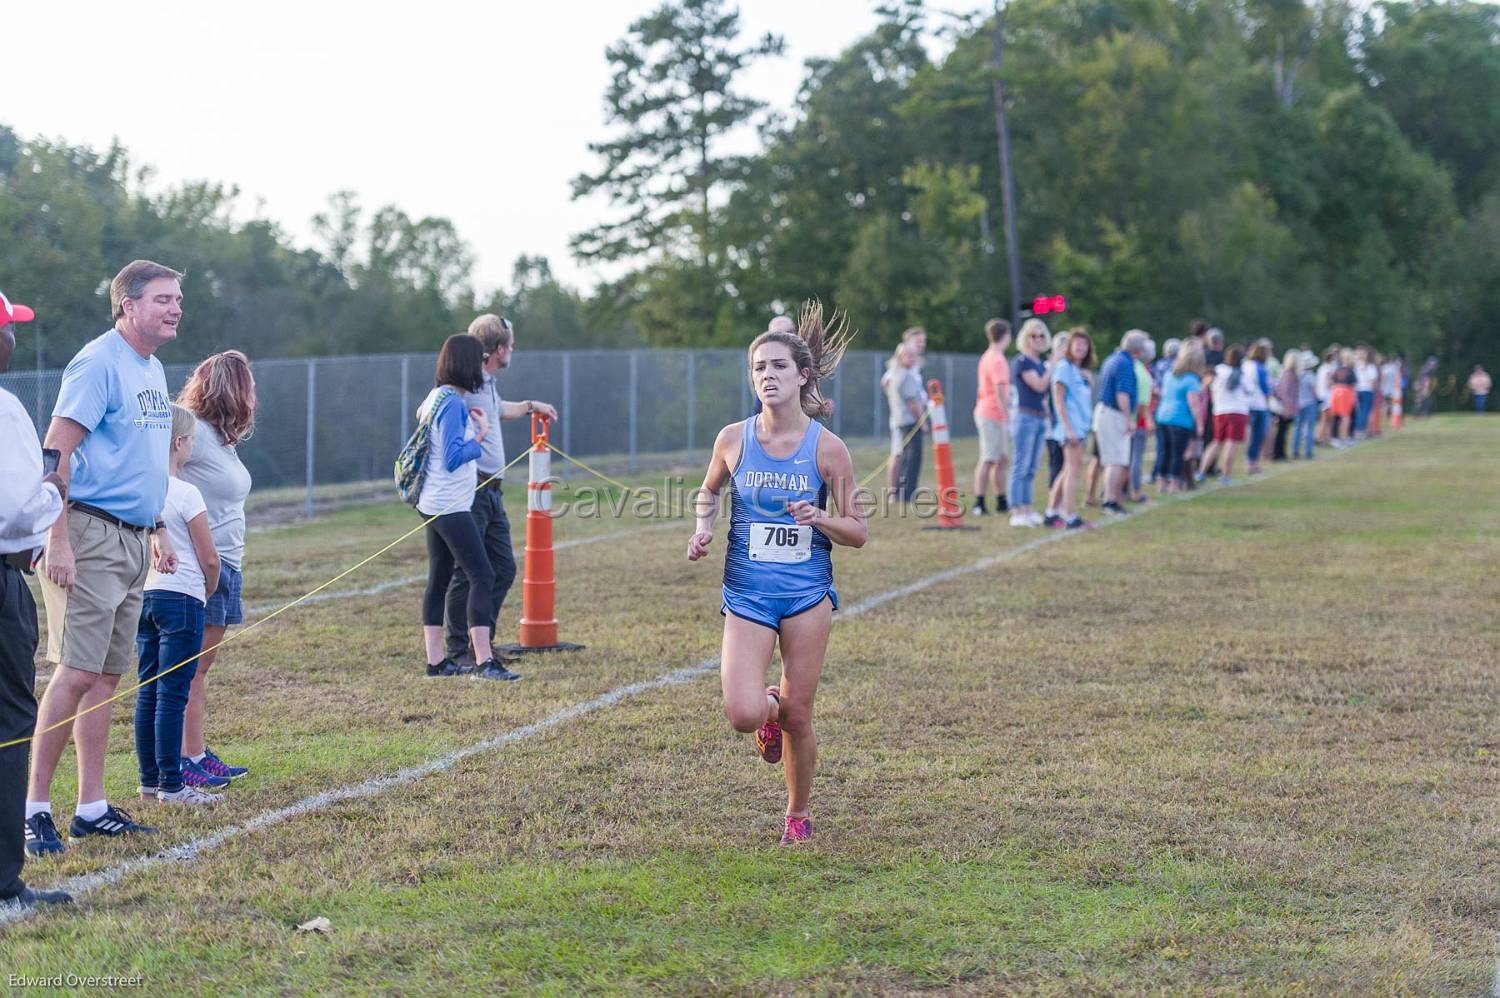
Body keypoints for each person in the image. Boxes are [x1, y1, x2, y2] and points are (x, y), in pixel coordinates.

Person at [686, 304, 865, 846]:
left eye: (779, 366)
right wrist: (702, 528)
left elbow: (858, 530)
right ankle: (767, 711)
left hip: (807, 596)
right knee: (745, 713)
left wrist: (820, 518)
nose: (767, 375)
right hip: (747, 595)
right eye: (759, 367)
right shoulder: (732, 439)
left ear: (802, 375)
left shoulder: (827, 448)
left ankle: (797, 814)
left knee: (800, 717)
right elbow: (709, 490)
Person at [25, 260, 182, 857]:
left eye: (178, 299)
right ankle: (33, 808)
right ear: (127, 306)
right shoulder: (97, 362)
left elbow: (140, 461)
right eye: (164, 299)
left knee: (107, 677)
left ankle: (90, 807)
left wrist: (158, 527)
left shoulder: (151, 365)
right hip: (88, 533)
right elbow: (56, 452)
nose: (175, 308)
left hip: (132, 537)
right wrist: (57, 538)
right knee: (75, 673)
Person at [0, 289, 72, 906]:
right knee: (7, 723)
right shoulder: (3, 408)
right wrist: (52, 488)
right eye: (8, 329)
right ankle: (2, 880)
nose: (13, 340)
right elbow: (13, 511)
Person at [443, 315, 558, 676]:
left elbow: (497, 410)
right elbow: (442, 407)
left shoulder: (486, 382)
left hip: (492, 492)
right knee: (467, 572)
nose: (512, 351)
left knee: (502, 568)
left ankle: (483, 641)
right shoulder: (468, 383)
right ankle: (460, 649)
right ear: (496, 350)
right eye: (509, 345)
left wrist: (529, 406)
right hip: (474, 488)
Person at [174, 350, 257, 788]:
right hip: (203, 564)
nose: (254, 397)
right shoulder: (192, 429)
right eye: (250, 387)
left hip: (228, 563)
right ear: (233, 389)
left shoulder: (219, 437)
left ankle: (196, 753)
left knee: (200, 670)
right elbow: (160, 474)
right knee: (189, 669)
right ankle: (183, 760)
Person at [135, 405, 221, 805]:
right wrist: (209, 588)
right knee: (173, 693)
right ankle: (173, 785)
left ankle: (148, 783)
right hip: (183, 598)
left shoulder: (140, 488)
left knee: (147, 691)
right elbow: (209, 559)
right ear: (179, 444)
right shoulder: (186, 492)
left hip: (145, 597)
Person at [415, 334, 504, 679]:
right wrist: (479, 436)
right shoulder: (452, 402)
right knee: (482, 574)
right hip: (449, 505)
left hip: (433, 502)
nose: (483, 367)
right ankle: (484, 661)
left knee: (438, 577)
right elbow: (453, 456)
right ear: (466, 365)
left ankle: (436, 662)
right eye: (478, 360)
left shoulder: (437, 397)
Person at [1044, 329, 1095, 529]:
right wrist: (1069, 429)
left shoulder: (1077, 370)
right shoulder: (1064, 368)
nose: (1081, 348)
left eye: (1084, 344)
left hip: (1079, 428)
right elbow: (1059, 401)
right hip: (1070, 430)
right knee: (1073, 472)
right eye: (1077, 344)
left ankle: (1051, 512)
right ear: (1070, 347)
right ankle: (1071, 515)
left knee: (1067, 471)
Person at [1093, 331, 1144, 515]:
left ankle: (1112, 498)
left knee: (1116, 459)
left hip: (1107, 411)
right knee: (1115, 460)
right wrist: (1127, 418)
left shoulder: (1114, 358)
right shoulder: (1124, 363)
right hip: (1113, 413)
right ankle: (1110, 500)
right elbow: (1122, 393)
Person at [1007, 319, 1051, 527]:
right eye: (1034, 335)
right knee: (1020, 466)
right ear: (1026, 338)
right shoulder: (1023, 361)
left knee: (1032, 467)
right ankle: (1016, 510)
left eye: (1042, 335)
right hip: (1025, 417)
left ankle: (1028, 508)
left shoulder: (1041, 364)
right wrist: (1053, 365)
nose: (1039, 339)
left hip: (1039, 417)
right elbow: (1040, 386)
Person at [971, 319, 1011, 516]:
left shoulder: (989, 356)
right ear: (1006, 336)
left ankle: (1002, 500)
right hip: (991, 413)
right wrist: (1006, 414)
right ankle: (979, 502)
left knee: (1002, 459)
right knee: (988, 458)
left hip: (992, 413)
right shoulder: (997, 359)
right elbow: (999, 390)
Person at [1155, 340, 1206, 492]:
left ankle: (1161, 483)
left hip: (1163, 417)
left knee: (1164, 452)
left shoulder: (1170, 375)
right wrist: (1200, 424)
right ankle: (1174, 484)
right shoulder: (1191, 379)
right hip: (1180, 420)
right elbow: (1194, 404)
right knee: (1177, 453)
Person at [1198, 343, 1253, 484]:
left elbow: (1208, 386)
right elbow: (1250, 391)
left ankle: (1201, 471)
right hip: (1238, 411)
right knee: (1231, 443)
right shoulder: (1242, 373)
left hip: (1220, 411)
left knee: (1216, 441)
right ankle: (1225, 475)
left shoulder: (1218, 370)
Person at [883, 327, 927, 499]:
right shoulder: (899, 370)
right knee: (899, 455)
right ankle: (894, 492)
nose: (921, 345)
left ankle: (900, 492)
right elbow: (886, 383)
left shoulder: (914, 367)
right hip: (904, 419)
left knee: (904, 455)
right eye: (918, 341)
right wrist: (898, 405)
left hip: (908, 417)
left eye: (923, 341)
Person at [1127, 336, 1155, 503]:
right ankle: (1136, 491)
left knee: (1126, 459)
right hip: (1138, 422)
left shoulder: (1134, 368)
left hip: (1131, 420)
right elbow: (1142, 402)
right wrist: (1148, 419)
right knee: (1135, 459)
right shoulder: (1142, 372)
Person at [1150, 338, 1180, 484]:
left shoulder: (1159, 365)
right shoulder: (1176, 367)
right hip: (1171, 408)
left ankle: (1158, 473)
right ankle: (1164, 474)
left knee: (1161, 444)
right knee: (1171, 446)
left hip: (1160, 407)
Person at [1243, 339, 1273, 474]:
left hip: (1247, 404)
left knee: (1252, 435)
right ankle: (1252, 462)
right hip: (1259, 404)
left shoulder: (1245, 365)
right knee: (1257, 435)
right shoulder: (1259, 367)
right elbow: (1265, 387)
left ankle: (1250, 460)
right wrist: (1269, 396)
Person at [1272, 349, 1300, 461]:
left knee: (1284, 431)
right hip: (1285, 407)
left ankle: (1281, 453)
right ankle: (1278, 454)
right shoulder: (1288, 374)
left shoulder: (1291, 373)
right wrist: (1287, 407)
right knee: (1281, 431)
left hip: (1288, 406)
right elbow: (1284, 392)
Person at [1328, 350, 1357, 446]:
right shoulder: (1350, 370)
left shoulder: (1337, 369)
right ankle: (1345, 437)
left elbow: (1332, 383)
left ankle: (1335, 437)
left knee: (1336, 417)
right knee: (1347, 417)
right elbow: (1353, 385)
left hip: (1336, 394)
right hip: (1346, 395)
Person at [1294, 351, 1319, 459]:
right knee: (1310, 428)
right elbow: (1314, 392)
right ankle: (1309, 452)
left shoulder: (1297, 376)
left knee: (1298, 429)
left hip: (1298, 404)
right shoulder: (1310, 376)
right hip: (1309, 404)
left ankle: (1295, 451)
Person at [1353, 345, 1378, 438]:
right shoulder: (1371, 367)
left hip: (1358, 390)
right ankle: (1360, 430)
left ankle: (1358, 429)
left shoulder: (1357, 365)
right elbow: (1373, 381)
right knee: (1364, 411)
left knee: (1359, 411)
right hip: (1367, 390)